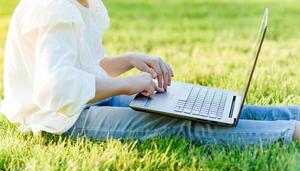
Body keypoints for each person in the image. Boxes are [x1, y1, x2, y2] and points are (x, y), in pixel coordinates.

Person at [1, 0, 299, 147]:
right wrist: (127, 85)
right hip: (63, 119)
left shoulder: (79, 3)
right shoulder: (53, 8)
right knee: (182, 125)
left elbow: (85, 65)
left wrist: (131, 59)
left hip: (83, 103)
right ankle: (292, 133)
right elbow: (56, 89)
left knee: (222, 108)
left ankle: (292, 114)